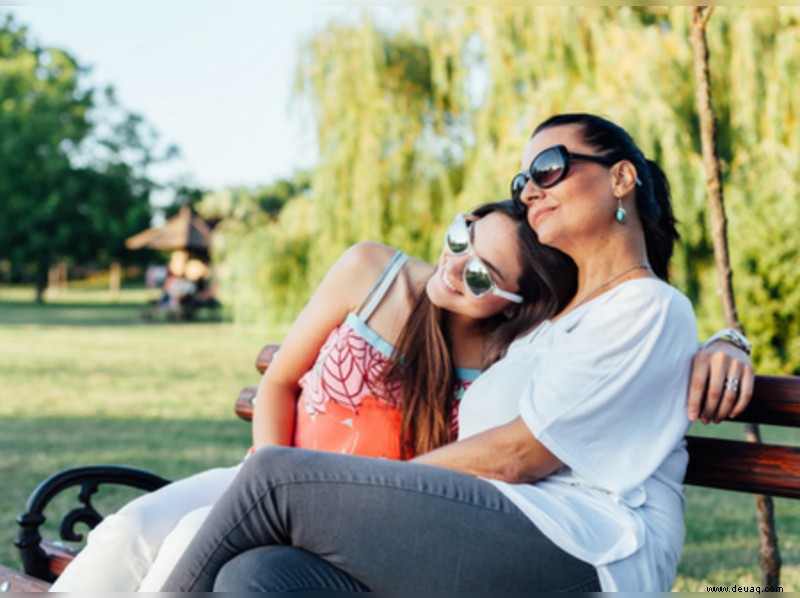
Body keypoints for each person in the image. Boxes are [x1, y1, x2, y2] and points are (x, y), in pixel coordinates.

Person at [161, 113, 754, 592]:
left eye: (548, 168)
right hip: (495, 528)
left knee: (275, 480)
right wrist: (726, 338)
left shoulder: (648, 306)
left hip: (588, 546)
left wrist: (368, 488)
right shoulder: (546, 324)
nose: (530, 192)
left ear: (621, 177)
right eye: (523, 182)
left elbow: (517, 456)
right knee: (261, 576)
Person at [49, 200, 574, 592]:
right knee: (127, 530)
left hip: (363, 526)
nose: (455, 266)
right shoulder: (373, 272)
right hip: (267, 479)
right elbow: (278, 382)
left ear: (514, 304)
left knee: (190, 536)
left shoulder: (508, 363)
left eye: (481, 275)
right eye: (462, 238)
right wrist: (265, 481)